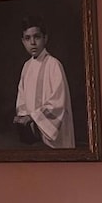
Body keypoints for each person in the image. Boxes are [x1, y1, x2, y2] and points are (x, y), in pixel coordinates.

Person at [14, 16, 75, 148]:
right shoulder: (26, 67)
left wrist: (32, 117)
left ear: (45, 38)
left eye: (37, 37)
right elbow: (22, 98)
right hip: (34, 132)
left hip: (54, 134)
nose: (33, 43)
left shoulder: (54, 65)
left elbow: (58, 103)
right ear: (23, 41)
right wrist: (22, 117)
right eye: (27, 38)